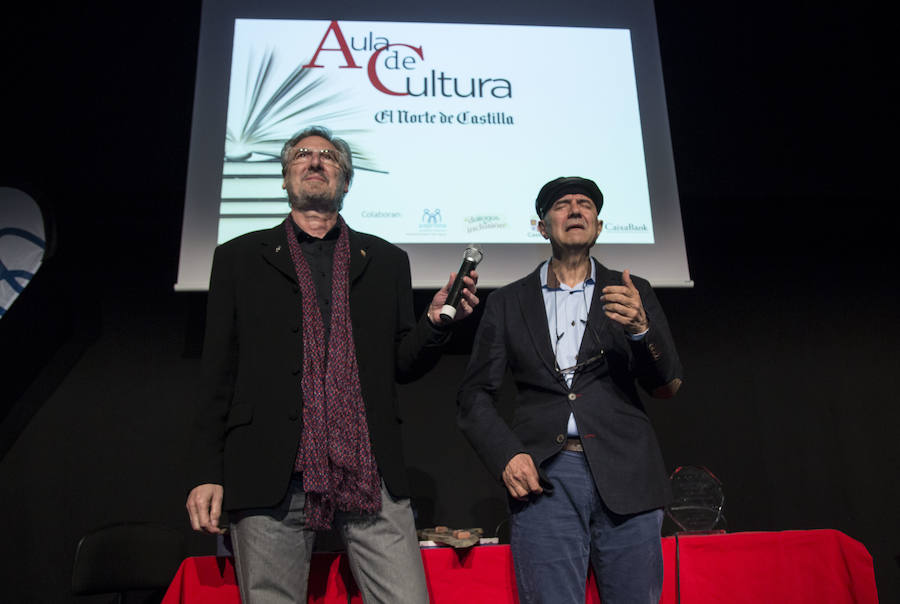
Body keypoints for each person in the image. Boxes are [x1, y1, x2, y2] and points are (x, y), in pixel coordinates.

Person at [185, 125, 478, 603]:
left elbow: (403, 363)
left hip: (367, 468)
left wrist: (436, 322)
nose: (315, 161)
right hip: (267, 468)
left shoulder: (385, 260)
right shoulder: (238, 258)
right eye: (302, 154)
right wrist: (205, 471)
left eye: (328, 156)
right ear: (285, 178)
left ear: (346, 181)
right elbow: (218, 372)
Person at [457, 177, 682, 604]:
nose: (576, 210)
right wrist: (506, 454)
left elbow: (667, 384)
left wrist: (640, 331)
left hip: (628, 472)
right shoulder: (507, 302)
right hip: (546, 477)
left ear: (598, 227)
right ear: (542, 227)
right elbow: (474, 396)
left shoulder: (634, 292)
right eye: (562, 205)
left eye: (585, 205)